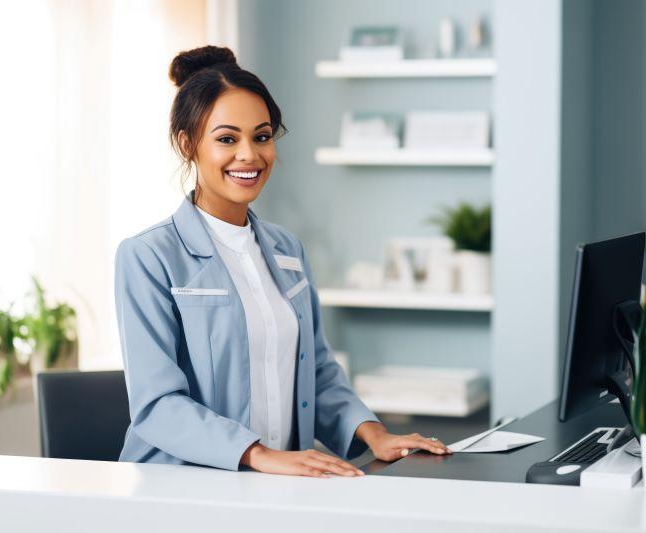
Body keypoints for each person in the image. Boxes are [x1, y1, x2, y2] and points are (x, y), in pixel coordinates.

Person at [115, 45, 451, 478]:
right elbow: (157, 405)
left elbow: (318, 372)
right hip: (181, 484)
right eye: (226, 139)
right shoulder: (147, 256)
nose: (249, 155)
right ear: (187, 144)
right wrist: (258, 454)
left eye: (262, 135)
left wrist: (374, 434)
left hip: (276, 485)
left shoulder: (286, 250)